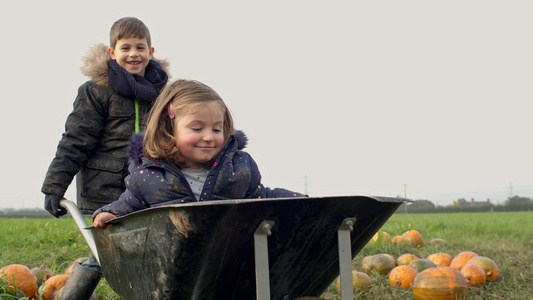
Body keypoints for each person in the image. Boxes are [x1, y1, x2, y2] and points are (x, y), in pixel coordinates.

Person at [93, 79, 306, 228]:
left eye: (216, 129)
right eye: (197, 128)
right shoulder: (150, 174)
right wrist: (110, 213)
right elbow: (131, 202)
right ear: (169, 128)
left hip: (230, 255)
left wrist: (305, 203)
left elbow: (263, 196)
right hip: (175, 260)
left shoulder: (238, 167)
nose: (208, 137)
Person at [42, 17, 170, 217]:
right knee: (109, 247)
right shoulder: (96, 91)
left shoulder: (164, 94)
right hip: (105, 190)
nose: (133, 54)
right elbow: (76, 140)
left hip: (148, 190)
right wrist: (54, 185)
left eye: (140, 48)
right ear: (112, 53)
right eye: (125, 48)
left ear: (151, 52)